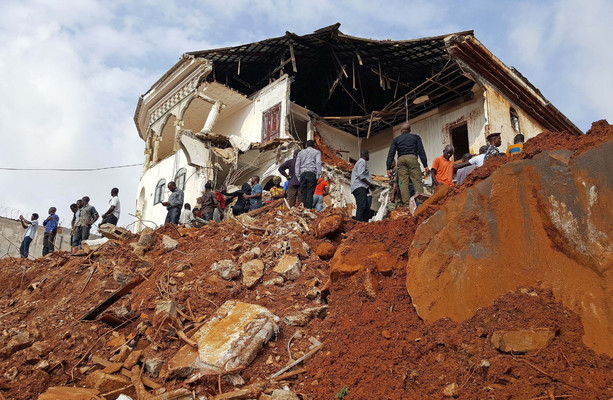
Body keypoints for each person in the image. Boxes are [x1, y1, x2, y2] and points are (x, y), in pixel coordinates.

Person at [386, 123, 429, 204]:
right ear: (410, 130)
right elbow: (421, 152)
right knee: (416, 180)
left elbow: (391, 154)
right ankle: (420, 202)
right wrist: (425, 165)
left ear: (401, 131)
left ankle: (406, 204)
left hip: (401, 160)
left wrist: (388, 168)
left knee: (403, 182)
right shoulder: (416, 137)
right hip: (412, 158)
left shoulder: (396, 140)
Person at [295, 140, 321, 209]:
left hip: (303, 173)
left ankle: (304, 207)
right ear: (313, 145)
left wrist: (298, 176)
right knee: (310, 192)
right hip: (312, 173)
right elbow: (318, 163)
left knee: (304, 192)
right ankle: (308, 208)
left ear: (306, 145)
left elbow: (297, 165)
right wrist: (318, 175)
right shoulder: (317, 152)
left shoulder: (300, 153)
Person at [351, 150, 376, 222]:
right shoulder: (362, 162)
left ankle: (361, 223)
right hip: (359, 187)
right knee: (361, 206)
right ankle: (358, 223)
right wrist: (370, 184)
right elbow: (360, 175)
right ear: (366, 155)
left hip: (359, 187)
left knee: (364, 206)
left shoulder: (359, 162)